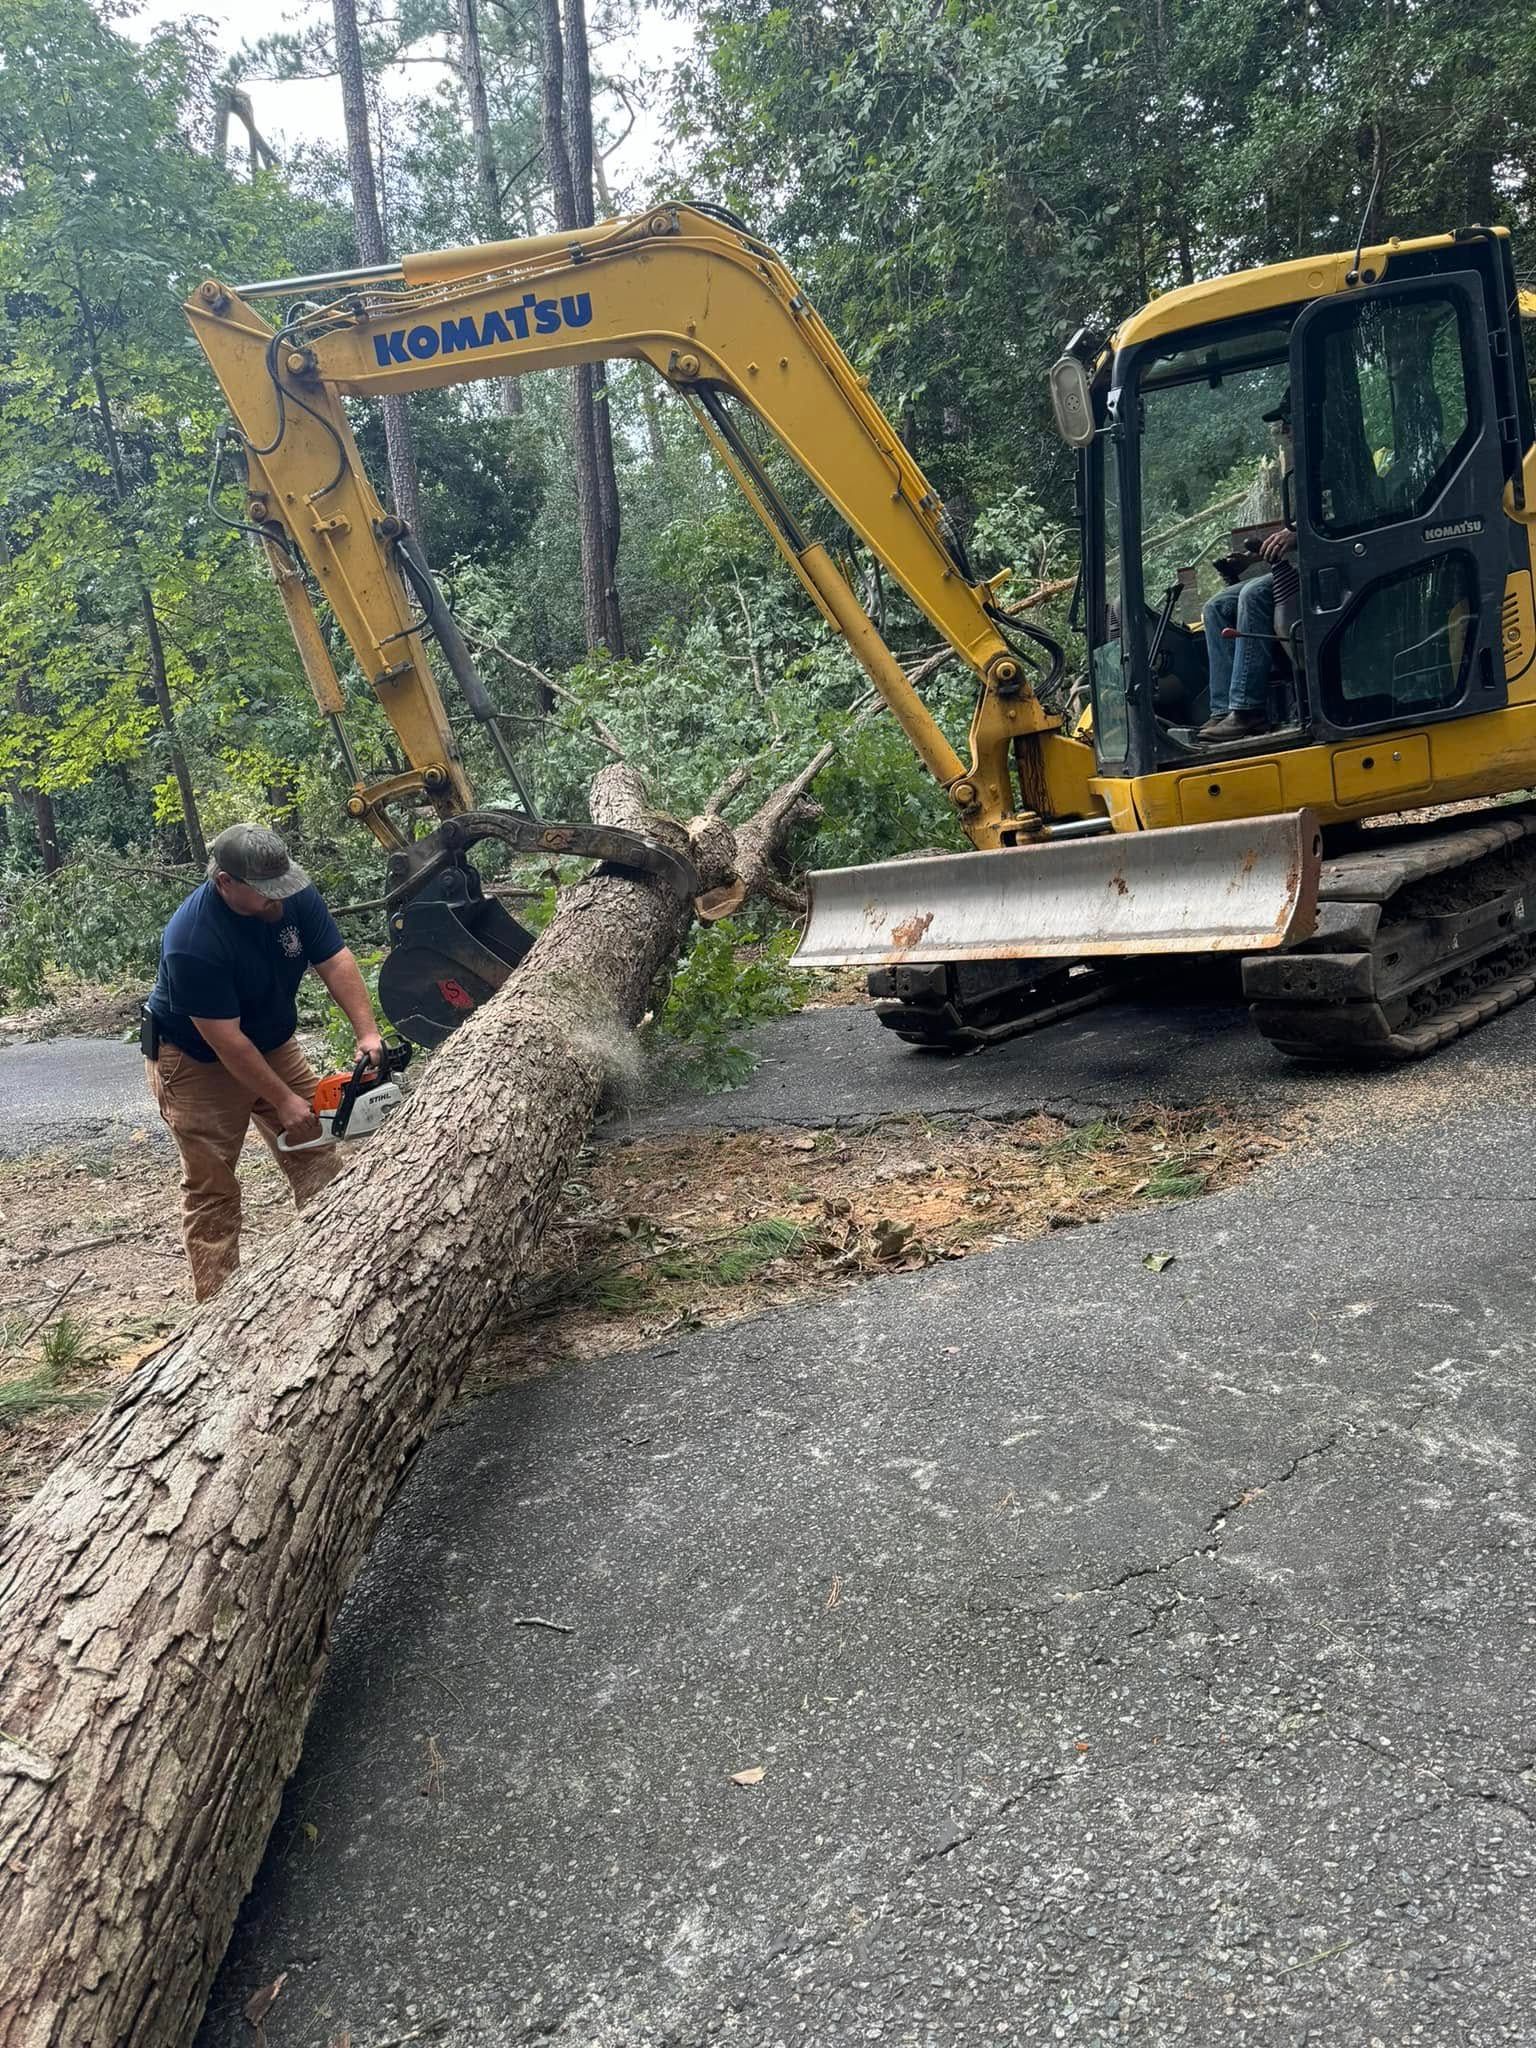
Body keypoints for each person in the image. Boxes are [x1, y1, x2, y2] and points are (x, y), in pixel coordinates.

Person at [142, 823, 384, 1300]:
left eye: (282, 888)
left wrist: (367, 1031)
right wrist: (281, 1099)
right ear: (226, 882)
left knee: (317, 1150)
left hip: (271, 1040)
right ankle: (220, 1313)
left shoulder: (291, 893)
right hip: (196, 1061)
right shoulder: (193, 939)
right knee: (214, 1187)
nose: (278, 900)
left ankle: (338, 1277)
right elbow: (227, 1042)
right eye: (265, 893)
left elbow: (334, 960)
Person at [1198, 393, 1297, 742]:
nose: (1282, 427)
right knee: (1217, 606)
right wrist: (1256, 556)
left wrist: (1295, 536)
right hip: (1297, 563)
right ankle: (1223, 709)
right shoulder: (1297, 469)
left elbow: (1331, 520)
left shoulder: (1333, 460)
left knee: (1254, 595)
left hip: (1330, 563)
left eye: (1288, 418)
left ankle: (1248, 710)